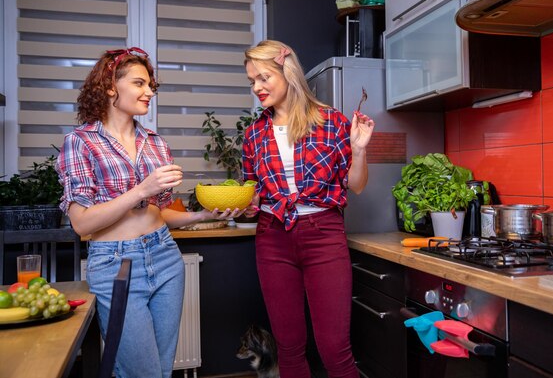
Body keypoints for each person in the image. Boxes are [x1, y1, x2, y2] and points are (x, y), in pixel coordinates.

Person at [55, 47, 241, 377]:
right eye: (140, 84)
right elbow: (81, 222)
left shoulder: (155, 143)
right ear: (111, 85)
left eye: (151, 85)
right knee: (142, 372)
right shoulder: (81, 142)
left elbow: (158, 213)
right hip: (116, 265)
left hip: (166, 256)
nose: (149, 92)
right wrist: (142, 189)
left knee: (161, 370)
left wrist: (201, 217)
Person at [241, 40, 375, 378]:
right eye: (252, 80)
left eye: (264, 77)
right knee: (289, 348)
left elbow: (356, 185)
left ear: (287, 72)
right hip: (272, 238)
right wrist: (243, 207)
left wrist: (358, 150)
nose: (257, 87)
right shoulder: (253, 135)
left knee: (335, 350)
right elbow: (252, 196)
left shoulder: (331, 122)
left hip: (324, 237)